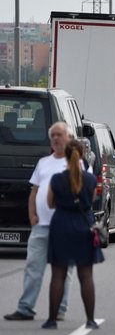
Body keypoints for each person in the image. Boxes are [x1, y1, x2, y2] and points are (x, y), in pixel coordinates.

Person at [4, 122, 72, 322]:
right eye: (53, 135)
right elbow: (34, 191)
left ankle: (60, 309)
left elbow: (81, 192)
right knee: (33, 268)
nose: (56, 139)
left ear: (68, 138)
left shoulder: (75, 163)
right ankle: (26, 308)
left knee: (63, 270)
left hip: (64, 226)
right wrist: (32, 216)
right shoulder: (43, 162)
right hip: (41, 225)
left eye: (60, 135)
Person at [43, 139, 103, 329]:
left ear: (65, 156)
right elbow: (91, 202)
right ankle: (90, 320)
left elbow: (50, 204)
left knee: (58, 275)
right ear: (82, 156)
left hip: (61, 225)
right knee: (86, 276)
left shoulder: (57, 179)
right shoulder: (91, 180)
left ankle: (52, 320)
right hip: (84, 227)